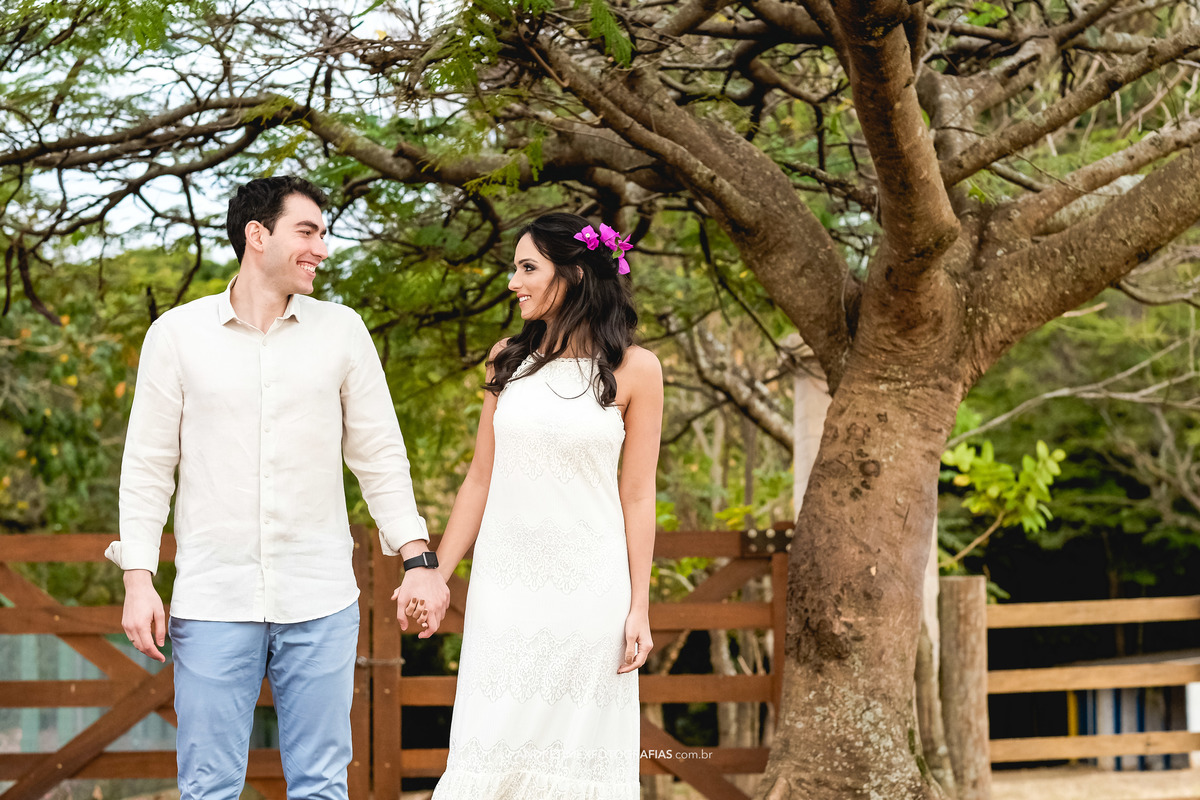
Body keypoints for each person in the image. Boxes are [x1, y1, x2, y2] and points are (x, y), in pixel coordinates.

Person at [107, 176, 449, 800]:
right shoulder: (176, 335)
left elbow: (379, 457)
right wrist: (137, 577)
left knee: (321, 786)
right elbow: (148, 466)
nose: (322, 247)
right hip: (213, 596)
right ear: (257, 235)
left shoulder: (342, 331)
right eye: (308, 231)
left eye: (323, 232)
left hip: (320, 597)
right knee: (208, 786)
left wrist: (419, 560)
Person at [429, 212, 663, 798]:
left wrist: (639, 606)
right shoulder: (506, 358)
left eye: (528, 267)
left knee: (578, 760)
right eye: (515, 268)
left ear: (575, 275)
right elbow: (479, 479)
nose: (513, 281)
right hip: (504, 591)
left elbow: (637, 495)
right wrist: (437, 575)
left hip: (591, 597)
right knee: (493, 744)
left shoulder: (637, 369)